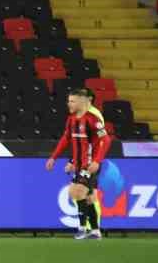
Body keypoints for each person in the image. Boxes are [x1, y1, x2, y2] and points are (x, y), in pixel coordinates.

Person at [46, 86, 110, 240]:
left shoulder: (92, 119)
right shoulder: (71, 119)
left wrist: (96, 161)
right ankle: (95, 231)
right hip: (79, 164)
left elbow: (105, 140)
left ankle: (82, 228)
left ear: (82, 102)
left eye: (72, 101)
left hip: (90, 164)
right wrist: (55, 157)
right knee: (87, 197)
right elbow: (67, 140)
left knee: (76, 191)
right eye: (69, 101)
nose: (69, 104)